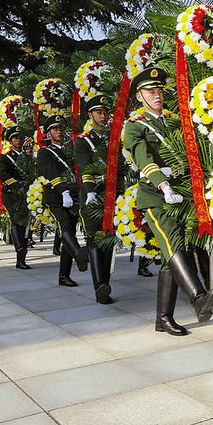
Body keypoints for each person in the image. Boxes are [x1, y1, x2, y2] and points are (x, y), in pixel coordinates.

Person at [123, 67, 213, 336]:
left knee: (172, 256)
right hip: (155, 196)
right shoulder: (134, 126)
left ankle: (163, 318)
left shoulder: (173, 122)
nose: (157, 96)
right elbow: (143, 159)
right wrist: (163, 184)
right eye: (150, 92)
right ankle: (197, 296)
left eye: (159, 91)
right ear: (139, 96)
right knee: (173, 246)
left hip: (179, 193)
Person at [74, 95, 120, 303]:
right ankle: (99, 285)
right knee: (94, 238)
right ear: (90, 114)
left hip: (112, 193)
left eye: (105, 112)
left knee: (108, 239)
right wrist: (91, 190)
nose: (103, 115)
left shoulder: (114, 137)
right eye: (98, 112)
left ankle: (106, 282)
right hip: (93, 194)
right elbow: (85, 167)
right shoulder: (83, 141)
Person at [37, 116, 88, 286]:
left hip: (72, 195)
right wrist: (64, 191)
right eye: (55, 129)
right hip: (55, 197)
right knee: (64, 225)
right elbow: (50, 172)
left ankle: (63, 276)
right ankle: (79, 254)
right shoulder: (44, 152)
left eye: (60, 128)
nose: (59, 131)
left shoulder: (69, 150)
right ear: (48, 133)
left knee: (70, 231)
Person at [0, 126, 32, 269]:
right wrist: (17, 187)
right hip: (11, 194)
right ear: (10, 140)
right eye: (15, 138)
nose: (18, 140)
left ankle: (22, 254)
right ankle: (20, 253)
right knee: (17, 221)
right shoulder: (4, 157)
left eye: (20, 138)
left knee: (25, 223)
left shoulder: (27, 157)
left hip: (26, 194)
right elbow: (3, 174)